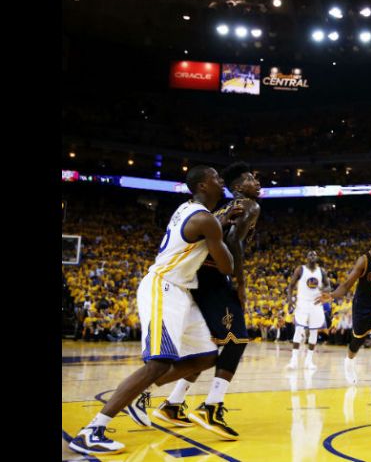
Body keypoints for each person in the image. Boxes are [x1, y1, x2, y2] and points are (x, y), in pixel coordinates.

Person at [68, 165, 238, 456]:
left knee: (206, 356)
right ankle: (93, 430)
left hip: (182, 290)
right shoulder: (205, 220)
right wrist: (228, 229)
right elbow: (227, 267)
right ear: (202, 185)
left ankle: (141, 395)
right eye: (215, 178)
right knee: (158, 363)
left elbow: (206, 228)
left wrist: (220, 221)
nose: (221, 181)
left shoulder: (192, 210)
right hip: (164, 287)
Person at [154, 162, 261, 440]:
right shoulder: (248, 205)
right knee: (237, 340)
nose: (257, 183)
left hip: (199, 278)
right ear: (238, 187)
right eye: (251, 178)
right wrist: (240, 283)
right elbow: (235, 242)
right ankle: (211, 407)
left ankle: (173, 404)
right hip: (214, 278)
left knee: (207, 348)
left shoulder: (219, 210)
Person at [317, 232, 371, 394]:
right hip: (363, 305)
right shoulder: (364, 260)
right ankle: (349, 360)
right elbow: (346, 285)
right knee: (357, 341)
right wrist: (332, 295)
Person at [286, 251, 331, 370]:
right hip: (302, 303)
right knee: (298, 329)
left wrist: (324, 288)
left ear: (317, 258)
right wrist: (290, 300)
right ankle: (293, 360)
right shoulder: (300, 269)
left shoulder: (321, 271)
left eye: (314, 255)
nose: (312, 257)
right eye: (310, 255)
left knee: (314, 331)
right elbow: (290, 286)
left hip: (316, 304)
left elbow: (328, 286)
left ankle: (309, 361)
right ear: (306, 258)